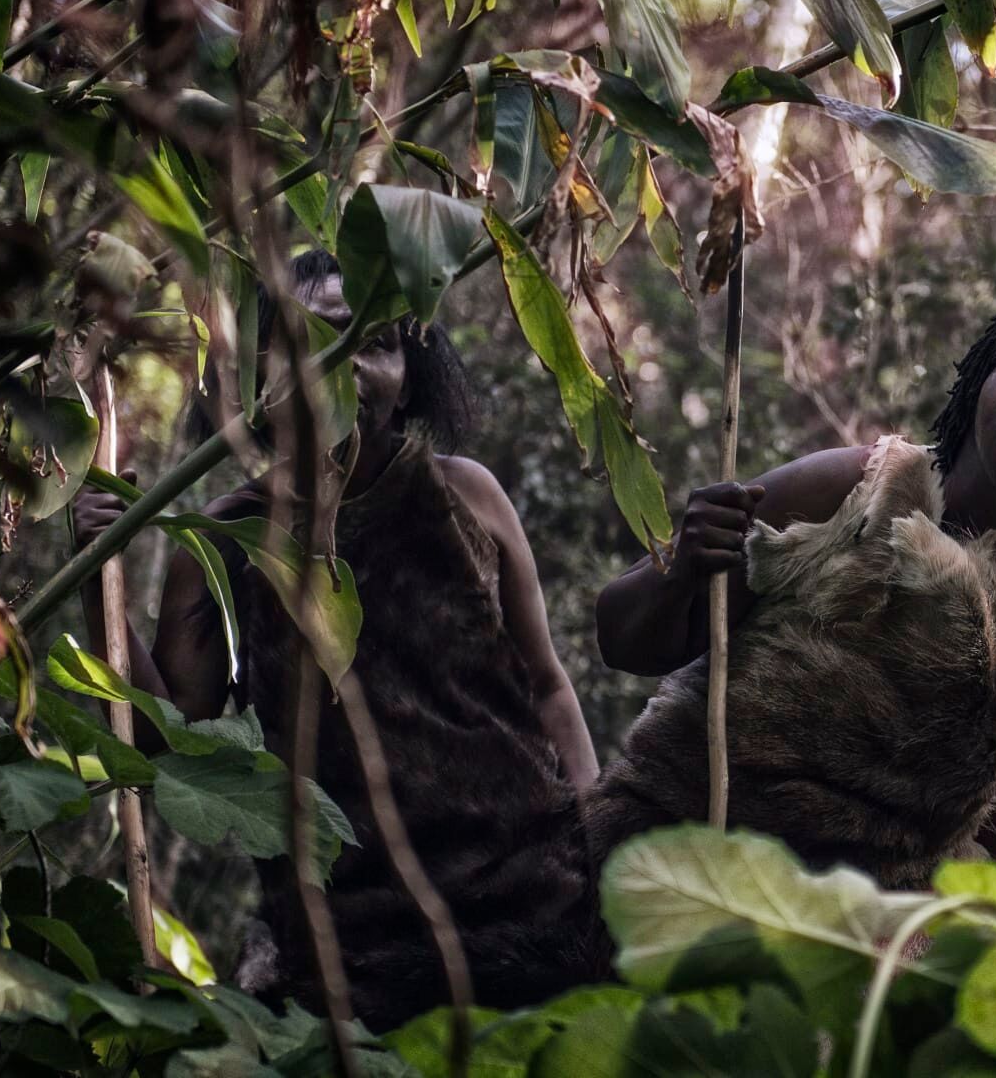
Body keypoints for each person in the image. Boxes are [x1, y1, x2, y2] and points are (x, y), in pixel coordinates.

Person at [70, 250, 607, 1028]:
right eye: (311, 339)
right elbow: (168, 744)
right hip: (345, 941)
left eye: (375, 342)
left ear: (410, 379)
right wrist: (100, 583)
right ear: (258, 377)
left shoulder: (467, 495)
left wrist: (596, 839)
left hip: (530, 903)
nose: (345, 363)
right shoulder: (223, 537)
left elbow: (548, 685)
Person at [588, 296, 996, 888]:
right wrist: (683, 566)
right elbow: (623, 642)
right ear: (980, 380)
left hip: (882, 906)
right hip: (691, 855)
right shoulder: (847, 489)